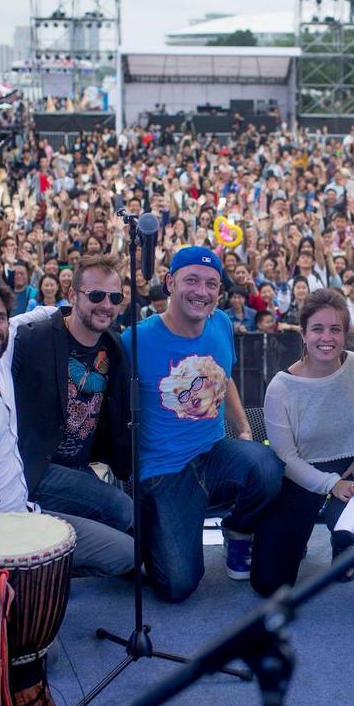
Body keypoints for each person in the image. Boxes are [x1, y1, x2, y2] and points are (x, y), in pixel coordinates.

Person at [0, 271, 133, 639]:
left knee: (127, 555)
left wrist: (83, 303)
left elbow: (41, 314)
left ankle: (43, 570)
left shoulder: (1, 362)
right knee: (30, 657)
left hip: (27, 516)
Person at [123, 246, 283, 602]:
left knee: (268, 467)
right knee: (178, 585)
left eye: (212, 284)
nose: (202, 291)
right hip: (164, 471)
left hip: (213, 453)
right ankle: (158, 528)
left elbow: (224, 379)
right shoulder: (136, 339)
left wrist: (243, 429)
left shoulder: (222, 324)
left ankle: (237, 531)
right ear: (169, 283)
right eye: (191, 280)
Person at [251, 290, 354, 595]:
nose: (327, 337)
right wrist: (332, 484)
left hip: (351, 466)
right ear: (304, 334)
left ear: (346, 334)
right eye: (318, 329)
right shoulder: (281, 387)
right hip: (302, 475)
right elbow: (286, 457)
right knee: (269, 584)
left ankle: (342, 542)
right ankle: (293, 537)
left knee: (349, 515)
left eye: (336, 329)